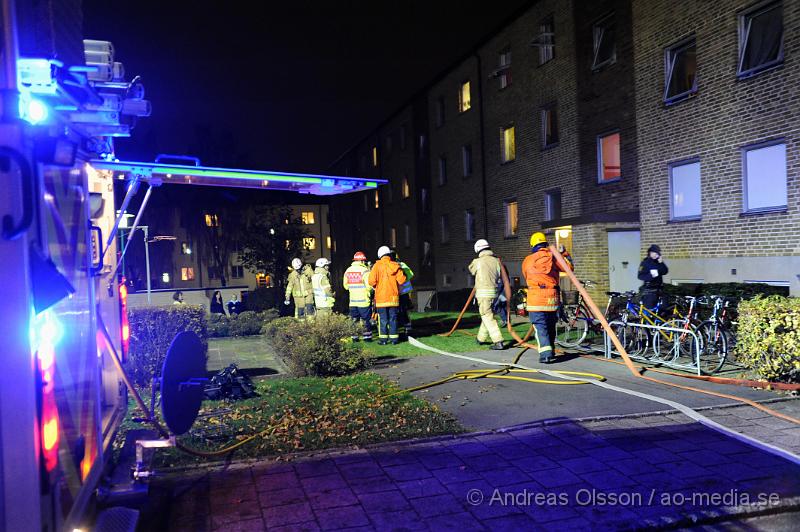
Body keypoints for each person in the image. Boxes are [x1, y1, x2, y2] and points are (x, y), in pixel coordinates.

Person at [522, 232, 573, 364]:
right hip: (552, 298)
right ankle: (551, 349)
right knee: (550, 325)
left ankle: (545, 354)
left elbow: (526, 276)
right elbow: (569, 268)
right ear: (545, 243)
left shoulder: (527, 260)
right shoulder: (553, 257)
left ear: (533, 245)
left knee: (540, 326)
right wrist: (564, 254)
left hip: (535, 299)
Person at [469, 239, 506, 350]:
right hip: (494, 293)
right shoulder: (496, 261)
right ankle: (480, 338)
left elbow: (471, 270)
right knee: (487, 315)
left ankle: (498, 341)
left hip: (483, 294)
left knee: (486, 316)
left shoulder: (477, 261)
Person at [368, 245, 407, 345]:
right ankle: (394, 340)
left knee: (383, 320)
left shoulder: (377, 266)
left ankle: (383, 341)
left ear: (380, 255)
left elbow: (371, 281)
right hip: (393, 298)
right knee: (393, 319)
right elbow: (402, 280)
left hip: (381, 299)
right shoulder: (395, 265)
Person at [343, 251, 373, 341]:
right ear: (362, 261)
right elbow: (369, 287)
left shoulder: (348, 270)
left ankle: (355, 337)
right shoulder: (365, 271)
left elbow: (345, 286)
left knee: (354, 320)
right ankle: (367, 337)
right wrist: (371, 291)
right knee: (365, 320)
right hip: (363, 301)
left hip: (352, 301)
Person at [638, 244, 669, 309]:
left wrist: (661, 263)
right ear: (650, 253)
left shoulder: (658, 262)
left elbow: (665, 271)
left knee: (662, 310)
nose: (655, 255)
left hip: (659, 290)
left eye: (657, 253)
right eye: (654, 253)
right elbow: (640, 276)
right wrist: (651, 275)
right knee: (649, 311)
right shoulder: (645, 263)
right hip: (649, 291)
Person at [392, 250, 415, 337]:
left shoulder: (397, 266)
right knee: (404, 311)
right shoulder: (401, 265)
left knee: (400, 311)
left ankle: (405, 328)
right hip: (403, 292)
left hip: (401, 293)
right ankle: (407, 327)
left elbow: (410, 274)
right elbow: (411, 274)